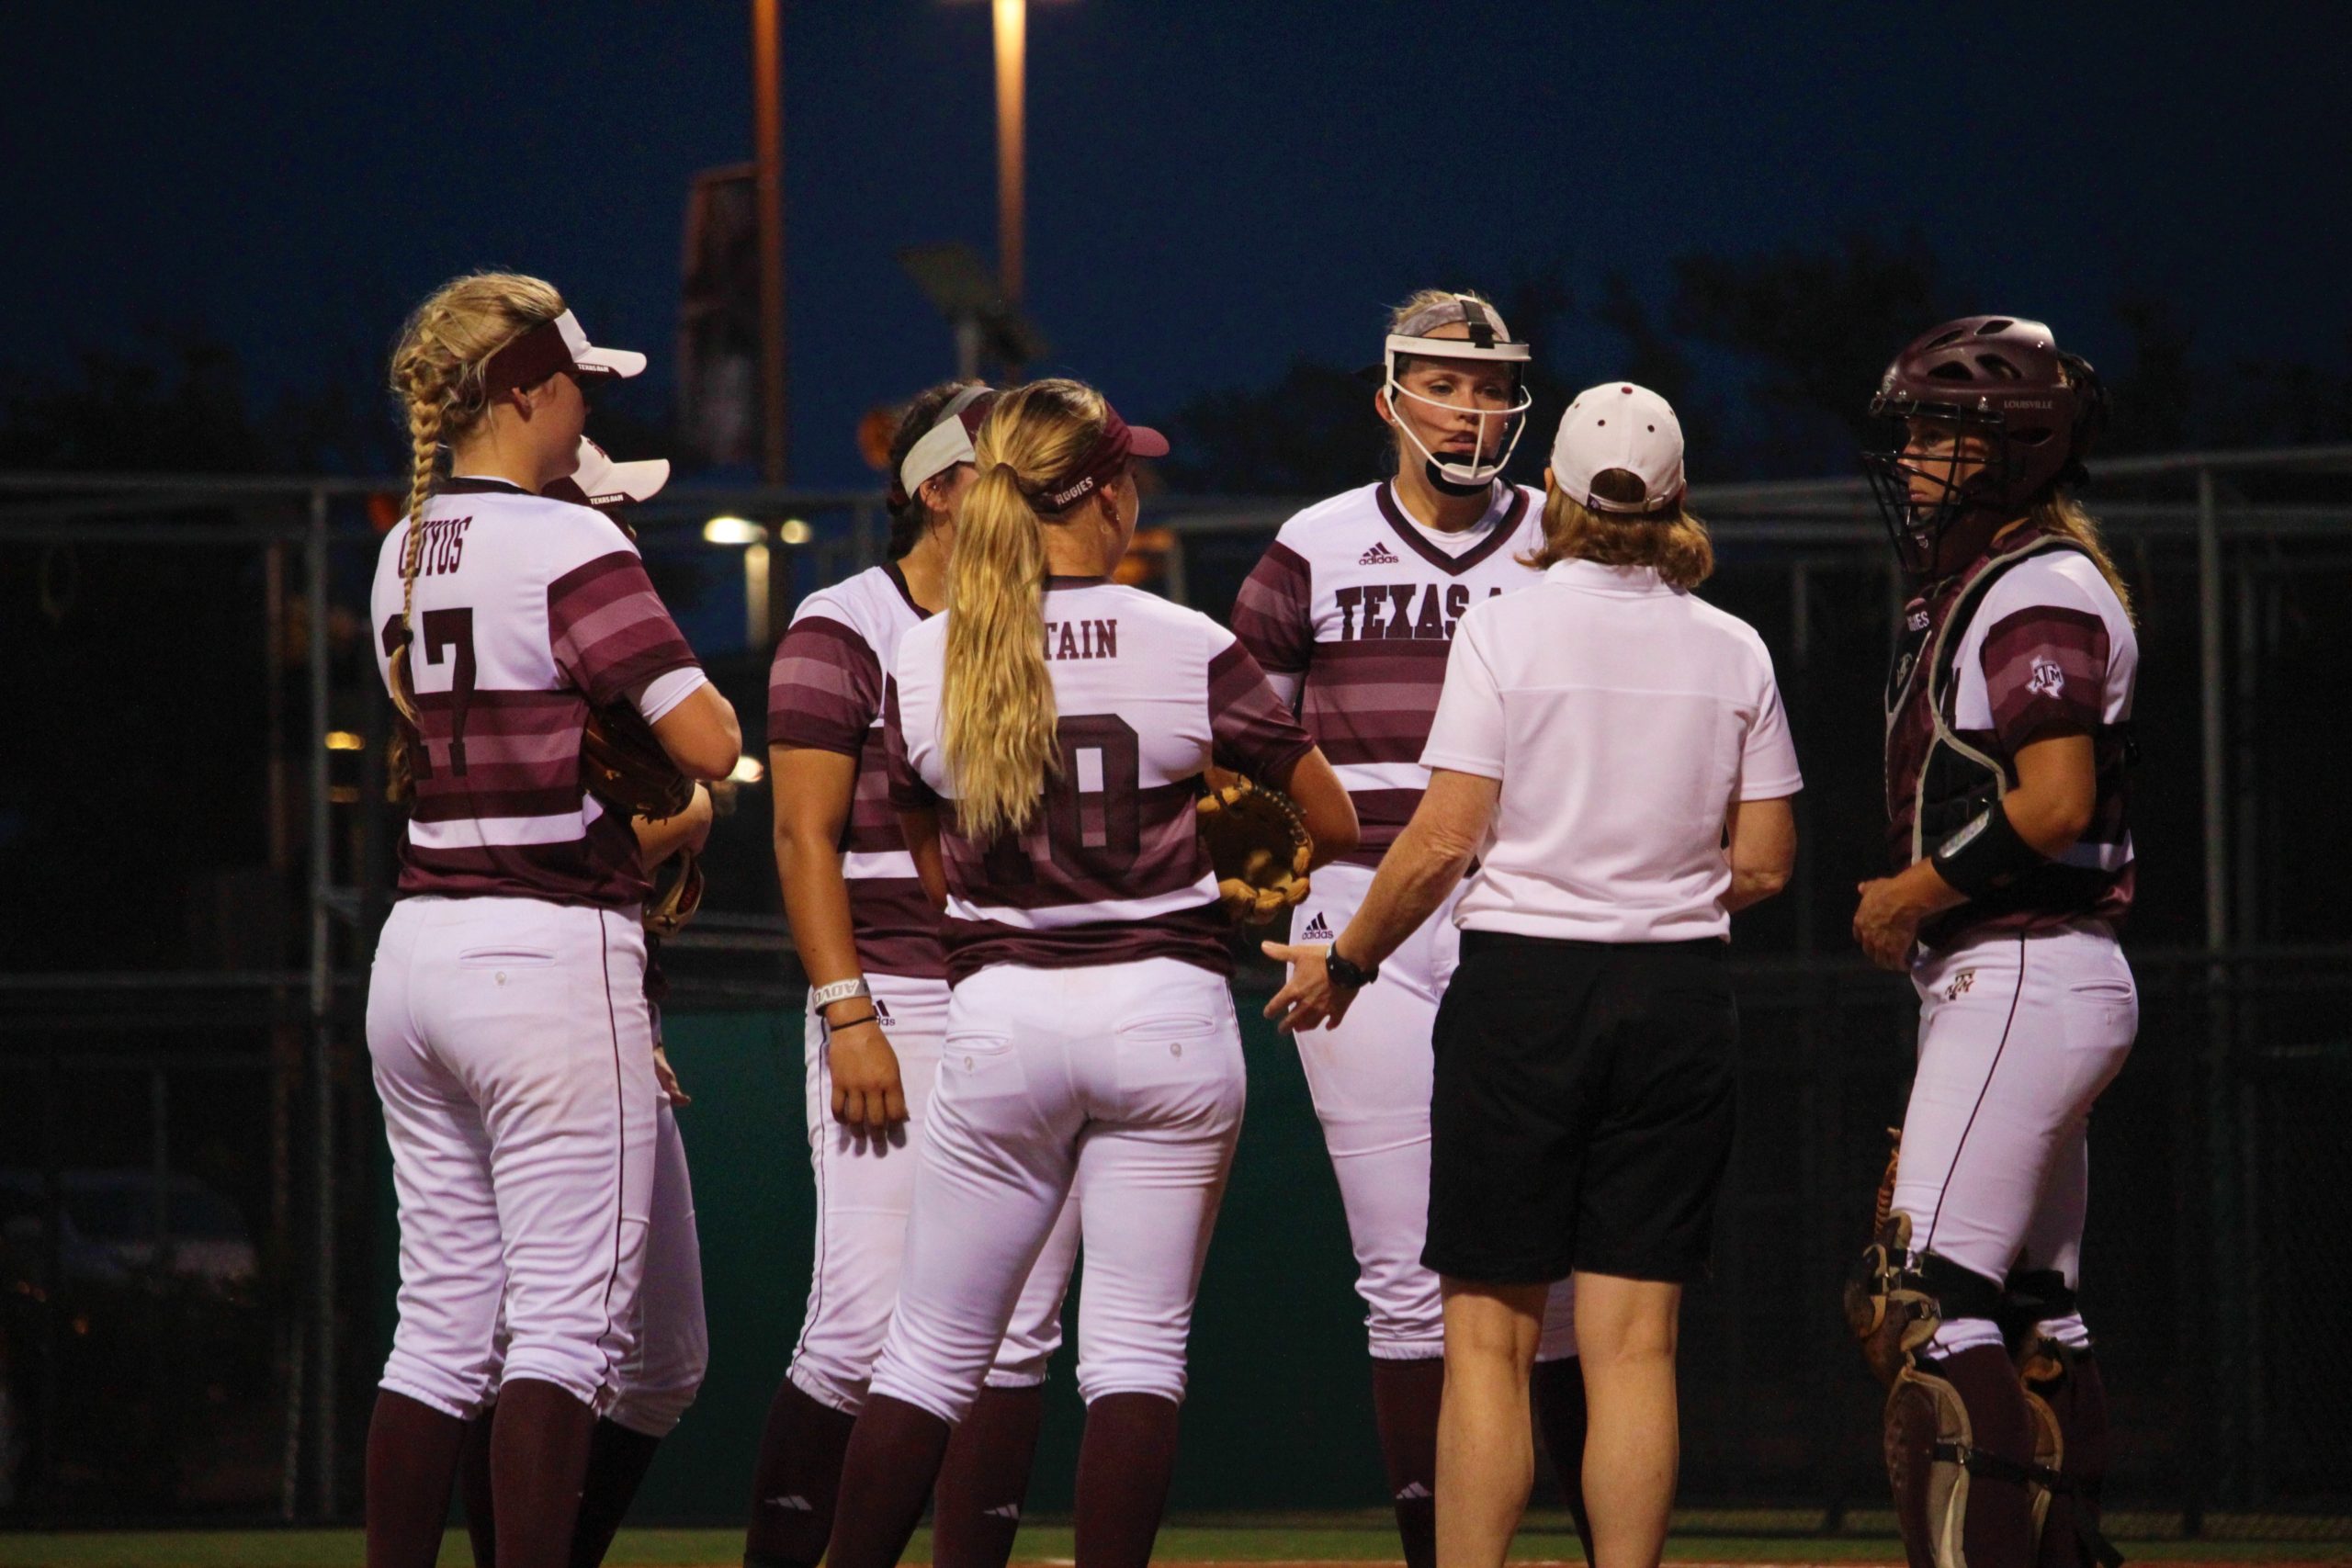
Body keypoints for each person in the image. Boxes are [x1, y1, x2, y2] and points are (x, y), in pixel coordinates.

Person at [823, 378, 1357, 1568]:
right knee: (1132, 1352)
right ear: (1104, 490)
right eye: (1131, 473)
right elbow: (1328, 815)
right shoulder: (1185, 639)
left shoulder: (926, 649)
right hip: (1163, 1008)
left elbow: (928, 855)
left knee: (926, 1351)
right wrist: (1232, 858)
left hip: (1001, 1010)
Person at [1267, 382, 1801, 1568]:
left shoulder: (1506, 626)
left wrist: (1351, 959)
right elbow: (1765, 862)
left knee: (1489, 1345)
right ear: (1676, 498)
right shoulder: (1735, 644)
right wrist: (1648, 883)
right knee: (1634, 1348)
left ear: (1552, 489)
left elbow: (1446, 836)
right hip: (1677, 996)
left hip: (1523, 993)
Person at [363, 273, 740, 1568]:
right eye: (576, 382)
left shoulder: (399, 549)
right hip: (543, 946)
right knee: (568, 1330)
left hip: (417, 945)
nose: (584, 408)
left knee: (440, 1325)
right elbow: (710, 737)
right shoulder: (573, 542)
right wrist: (680, 794)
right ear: (524, 386)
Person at [1228, 289, 1581, 1565]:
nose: (1474, 408)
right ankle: (1438, 1548)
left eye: (1491, 386)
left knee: (1570, 1284)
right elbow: (1242, 735)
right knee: (1400, 1264)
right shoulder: (1313, 543)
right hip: (1362, 901)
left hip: (1531, 901)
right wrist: (1271, 856)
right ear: (1389, 396)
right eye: (1448, 382)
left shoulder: (1566, 535)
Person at [748, 385, 1081, 1568]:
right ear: (939, 490)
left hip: (1027, 997)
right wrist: (849, 1013)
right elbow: (801, 837)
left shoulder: (1052, 619)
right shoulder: (843, 625)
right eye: (1009, 466)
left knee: (1018, 1331)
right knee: (859, 1325)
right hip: (894, 990)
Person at [1849, 317, 2137, 1568]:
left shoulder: (2033, 586)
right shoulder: (2010, 577)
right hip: (2043, 970)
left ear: (2009, 446)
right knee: (2032, 1308)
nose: (1911, 457)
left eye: (1934, 431)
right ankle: (2069, 1551)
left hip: (2019, 959)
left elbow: (2057, 797)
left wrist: (1910, 885)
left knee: (1926, 1301)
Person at [452, 436, 716, 1568]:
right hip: (541, 986)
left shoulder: (482, 593)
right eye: (608, 506)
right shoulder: (553, 600)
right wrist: (685, 816)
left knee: (649, 1361)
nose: (626, 529)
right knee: (528, 1341)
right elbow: (566, 832)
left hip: (538, 979)